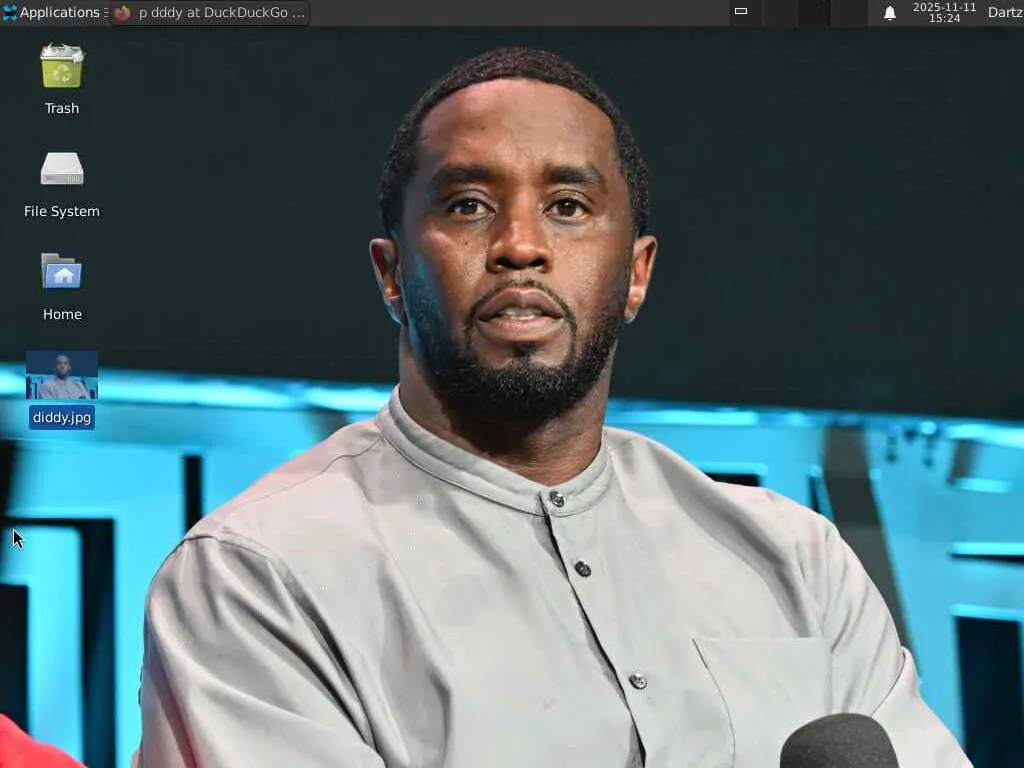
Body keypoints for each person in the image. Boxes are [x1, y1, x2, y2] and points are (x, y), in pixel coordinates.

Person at [137, 47, 972, 767]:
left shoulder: (795, 562)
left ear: (636, 273)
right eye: (468, 205)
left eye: (568, 207)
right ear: (391, 274)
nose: (520, 245)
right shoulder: (261, 573)